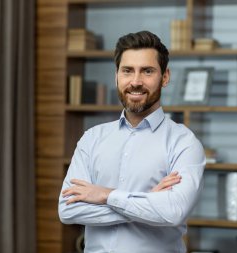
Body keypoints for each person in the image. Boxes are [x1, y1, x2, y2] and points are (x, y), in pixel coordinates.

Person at [58, 30, 205, 253]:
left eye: (147, 71)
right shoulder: (92, 139)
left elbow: (173, 212)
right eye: (127, 71)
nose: (136, 81)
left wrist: (106, 195)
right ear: (116, 75)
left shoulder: (184, 143)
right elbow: (68, 211)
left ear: (165, 77)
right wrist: (147, 202)